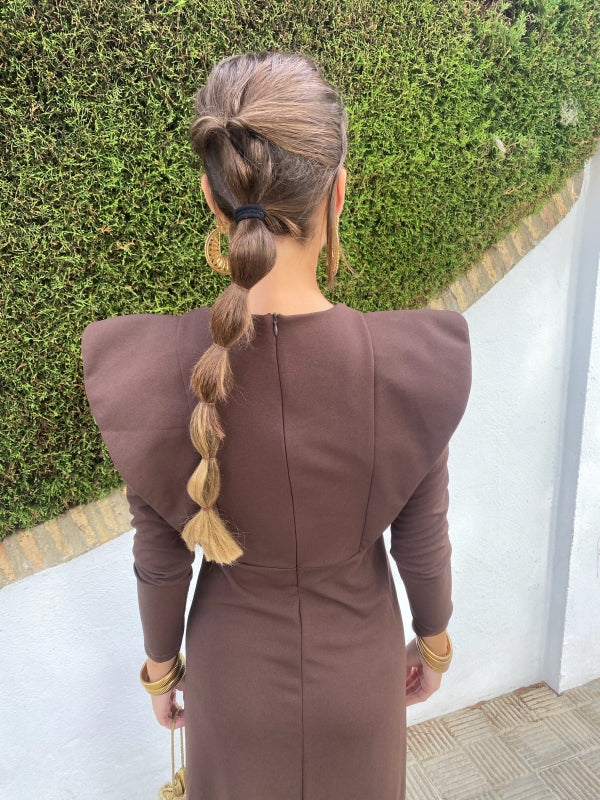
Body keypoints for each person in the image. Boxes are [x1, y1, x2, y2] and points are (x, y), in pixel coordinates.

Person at [82, 51, 471, 800]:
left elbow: (161, 558)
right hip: (361, 681)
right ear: (338, 192)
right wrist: (434, 643)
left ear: (211, 195)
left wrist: (161, 670)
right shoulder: (409, 363)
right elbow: (423, 539)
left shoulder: (155, 368)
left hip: (232, 689)